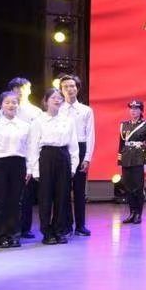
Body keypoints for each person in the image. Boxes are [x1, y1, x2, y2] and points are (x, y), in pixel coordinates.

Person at [0, 91, 32, 248]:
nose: (11, 105)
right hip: (0, 164)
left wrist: (30, 168)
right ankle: (1, 236)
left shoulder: (25, 126)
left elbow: (29, 148)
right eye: (7, 102)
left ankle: (14, 235)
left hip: (19, 163)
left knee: (16, 202)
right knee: (1, 201)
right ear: (1, 105)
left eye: (14, 102)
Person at [28, 88, 79, 245]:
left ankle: (59, 230)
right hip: (46, 157)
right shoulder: (38, 121)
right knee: (45, 197)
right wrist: (35, 169)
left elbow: (73, 145)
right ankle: (47, 231)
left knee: (62, 197)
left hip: (63, 156)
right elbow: (33, 146)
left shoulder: (68, 121)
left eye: (59, 98)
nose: (57, 100)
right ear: (46, 101)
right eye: (53, 98)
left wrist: (73, 166)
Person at [58, 75, 95, 237]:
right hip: (63, 149)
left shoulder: (86, 110)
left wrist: (87, 157)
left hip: (80, 148)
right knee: (63, 189)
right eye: (65, 86)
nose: (69, 89)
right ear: (61, 90)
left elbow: (90, 135)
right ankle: (66, 224)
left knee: (79, 190)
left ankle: (80, 225)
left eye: (72, 86)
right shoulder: (58, 109)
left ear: (77, 88)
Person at [9, 77, 42, 239]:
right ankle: (11, 227)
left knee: (27, 194)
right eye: (16, 88)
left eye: (23, 88)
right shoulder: (5, 109)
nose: (20, 91)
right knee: (11, 194)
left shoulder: (36, 112)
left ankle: (25, 228)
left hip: (29, 155)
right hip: (10, 155)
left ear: (29, 90)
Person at [118, 99, 146, 225]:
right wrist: (120, 160)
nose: (133, 111)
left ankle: (138, 214)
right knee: (128, 187)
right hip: (127, 158)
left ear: (141, 111)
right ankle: (131, 212)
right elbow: (121, 144)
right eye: (131, 108)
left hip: (139, 158)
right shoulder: (124, 125)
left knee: (138, 188)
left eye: (136, 109)